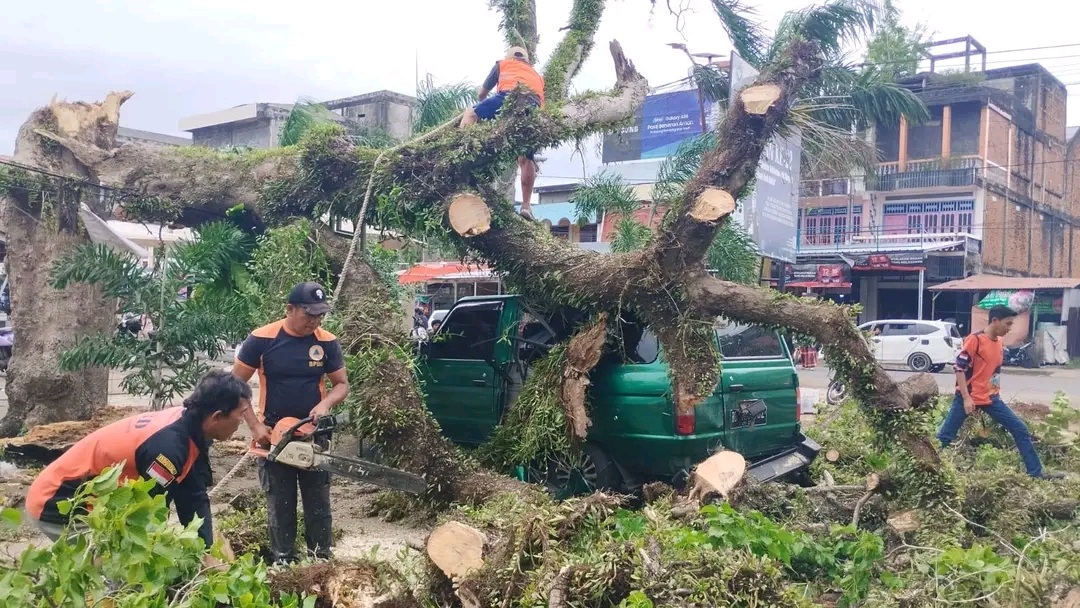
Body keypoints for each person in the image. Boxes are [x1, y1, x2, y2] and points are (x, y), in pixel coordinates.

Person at [25, 370, 252, 551]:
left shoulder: (193, 429)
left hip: (84, 500)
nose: (242, 422)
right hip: (59, 503)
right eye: (240, 415)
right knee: (120, 576)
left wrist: (205, 550)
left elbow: (193, 496)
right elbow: (148, 516)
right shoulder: (168, 450)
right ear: (217, 417)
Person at [232, 281, 350, 564]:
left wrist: (324, 405)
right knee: (280, 502)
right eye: (309, 314)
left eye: (319, 315)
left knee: (318, 500)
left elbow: (341, 384)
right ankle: (284, 560)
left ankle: (321, 559)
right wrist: (255, 426)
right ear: (290, 309)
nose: (314, 320)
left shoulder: (326, 341)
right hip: (273, 431)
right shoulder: (262, 339)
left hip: (315, 435)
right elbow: (234, 386)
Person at [937, 306, 1062, 479]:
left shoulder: (999, 342)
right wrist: (966, 398)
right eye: (1007, 323)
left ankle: (1036, 473)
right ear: (995, 321)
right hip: (968, 397)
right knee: (945, 437)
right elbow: (959, 368)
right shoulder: (975, 340)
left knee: (1020, 429)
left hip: (991, 399)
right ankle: (926, 471)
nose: (1010, 328)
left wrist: (994, 392)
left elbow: (993, 372)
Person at [460, 45, 546, 220]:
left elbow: (482, 94)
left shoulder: (503, 64)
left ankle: (461, 155)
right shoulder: (537, 76)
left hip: (509, 98)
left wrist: (486, 113)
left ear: (509, 56)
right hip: (533, 108)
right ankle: (526, 206)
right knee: (526, 158)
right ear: (527, 60)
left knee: (470, 113)